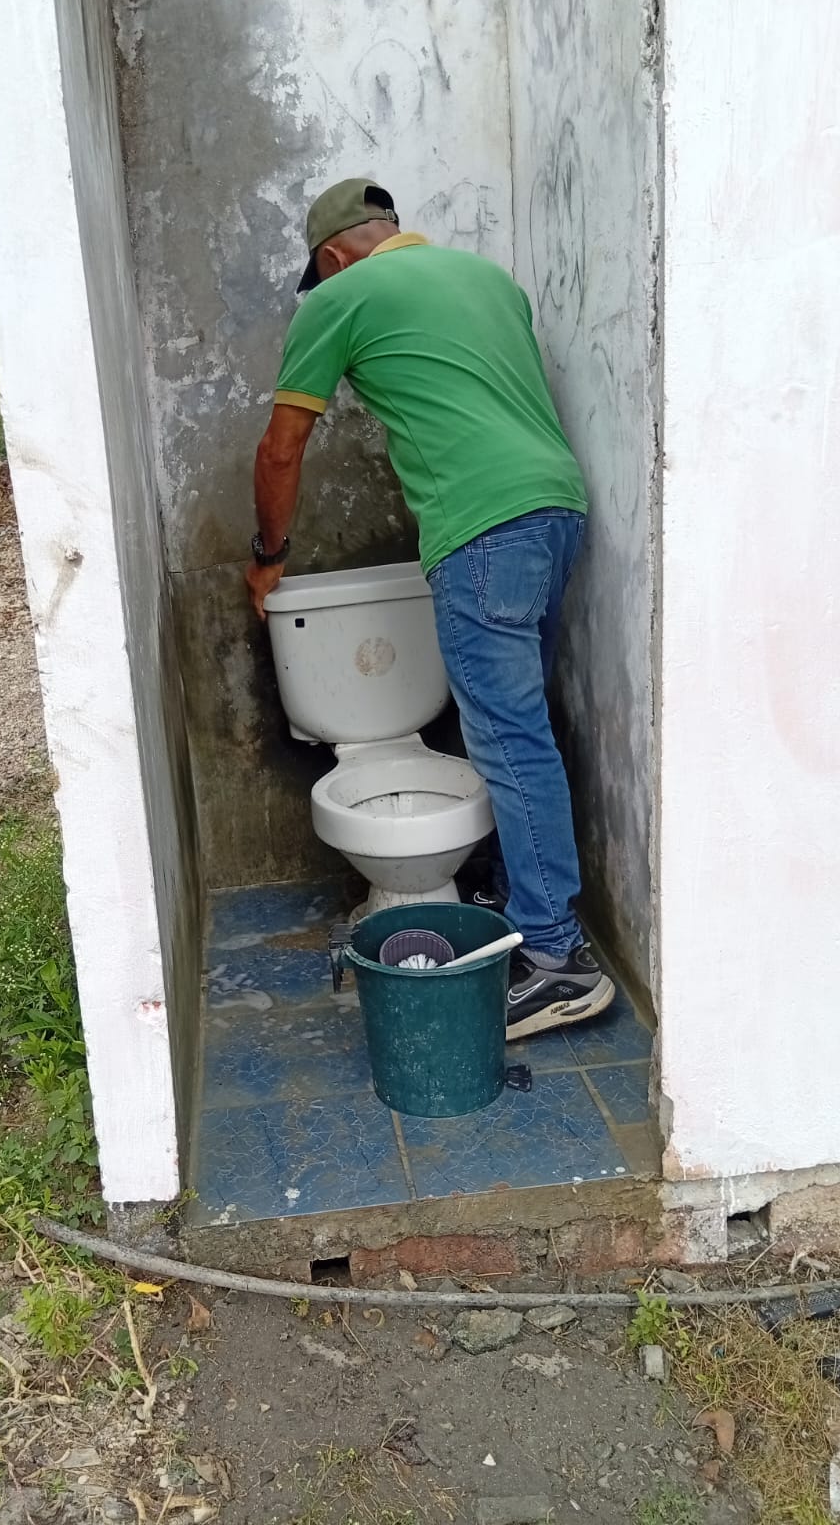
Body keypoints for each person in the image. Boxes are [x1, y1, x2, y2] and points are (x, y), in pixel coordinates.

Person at [245, 178, 614, 1041]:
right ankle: (524, 906)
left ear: (331, 257)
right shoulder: (490, 280)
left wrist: (269, 559)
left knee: (508, 740)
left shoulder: (337, 297)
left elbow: (281, 451)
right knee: (524, 730)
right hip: (558, 510)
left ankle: (558, 960)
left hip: (479, 530)